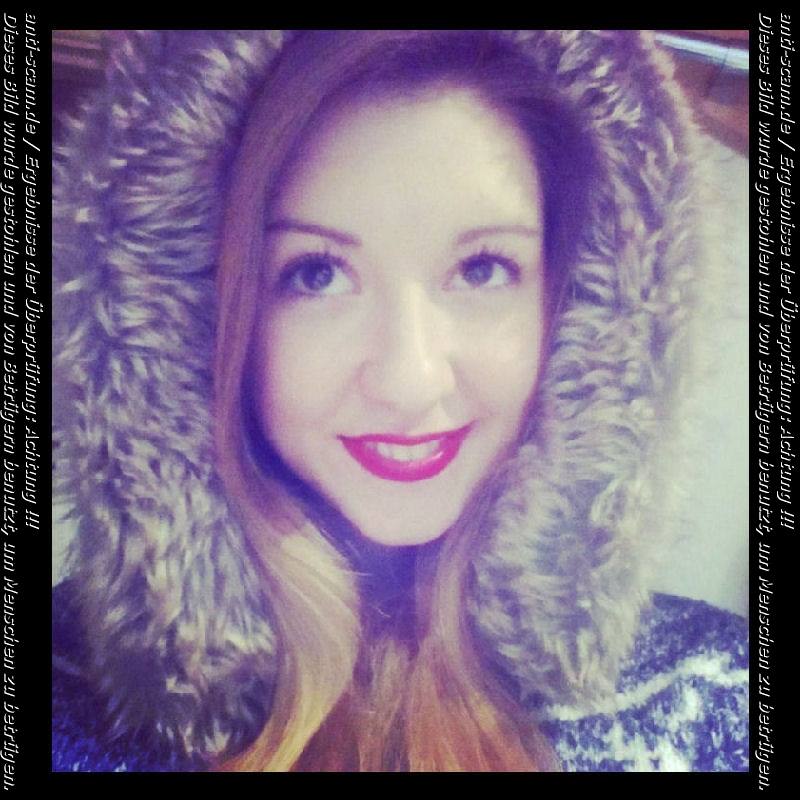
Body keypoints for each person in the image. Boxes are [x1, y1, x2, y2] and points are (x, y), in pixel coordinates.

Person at [52, 30, 748, 772]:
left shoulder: (716, 695)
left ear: (582, 305)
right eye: (317, 274)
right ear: (191, 318)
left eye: (482, 268)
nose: (409, 380)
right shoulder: (68, 696)